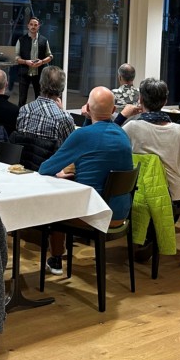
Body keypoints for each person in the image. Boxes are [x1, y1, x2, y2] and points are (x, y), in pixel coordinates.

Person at [38, 87, 134, 274]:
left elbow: (45, 168)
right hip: (121, 213)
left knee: (56, 207)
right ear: (114, 110)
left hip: (95, 212)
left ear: (87, 108)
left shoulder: (82, 135)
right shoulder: (123, 134)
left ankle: (56, 259)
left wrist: (60, 175)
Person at [121, 78, 180, 211]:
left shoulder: (132, 127)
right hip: (174, 195)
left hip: (140, 194)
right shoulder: (179, 130)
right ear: (165, 101)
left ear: (140, 99)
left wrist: (123, 116)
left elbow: (109, 138)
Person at [15, 17, 53, 106]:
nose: (33, 27)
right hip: (24, 73)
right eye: (31, 24)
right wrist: (26, 62)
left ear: (38, 26)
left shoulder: (44, 40)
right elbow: (16, 57)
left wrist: (42, 61)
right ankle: (20, 114)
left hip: (39, 73)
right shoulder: (21, 40)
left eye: (35, 25)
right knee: (22, 98)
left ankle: (38, 114)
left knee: (39, 98)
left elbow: (50, 56)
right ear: (28, 26)